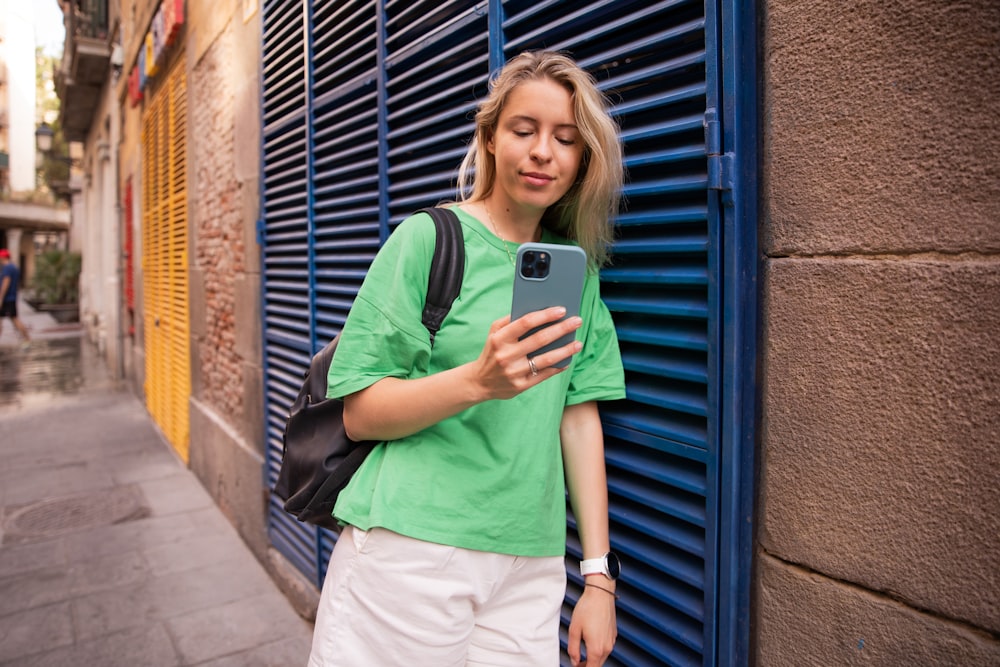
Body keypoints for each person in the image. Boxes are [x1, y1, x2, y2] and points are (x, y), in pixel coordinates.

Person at [308, 51, 625, 667]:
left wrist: (598, 579)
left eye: (565, 138)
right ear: (489, 137)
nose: (543, 152)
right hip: (411, 551)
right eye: (523, 130)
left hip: (529, 565)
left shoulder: (574, 274)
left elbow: (577, 419)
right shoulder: (429, 239)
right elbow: (359, 414)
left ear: (582, 160)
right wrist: (479, 381)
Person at [0, 248, 31, 346]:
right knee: (12, 319)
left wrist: (1, 298)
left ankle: (27, 339)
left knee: (14, 319)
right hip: (11, 297)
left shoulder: (8, 268)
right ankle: (27, 339)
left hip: (7, 299)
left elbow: (6, 283)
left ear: (2, 257)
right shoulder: (14, 267)